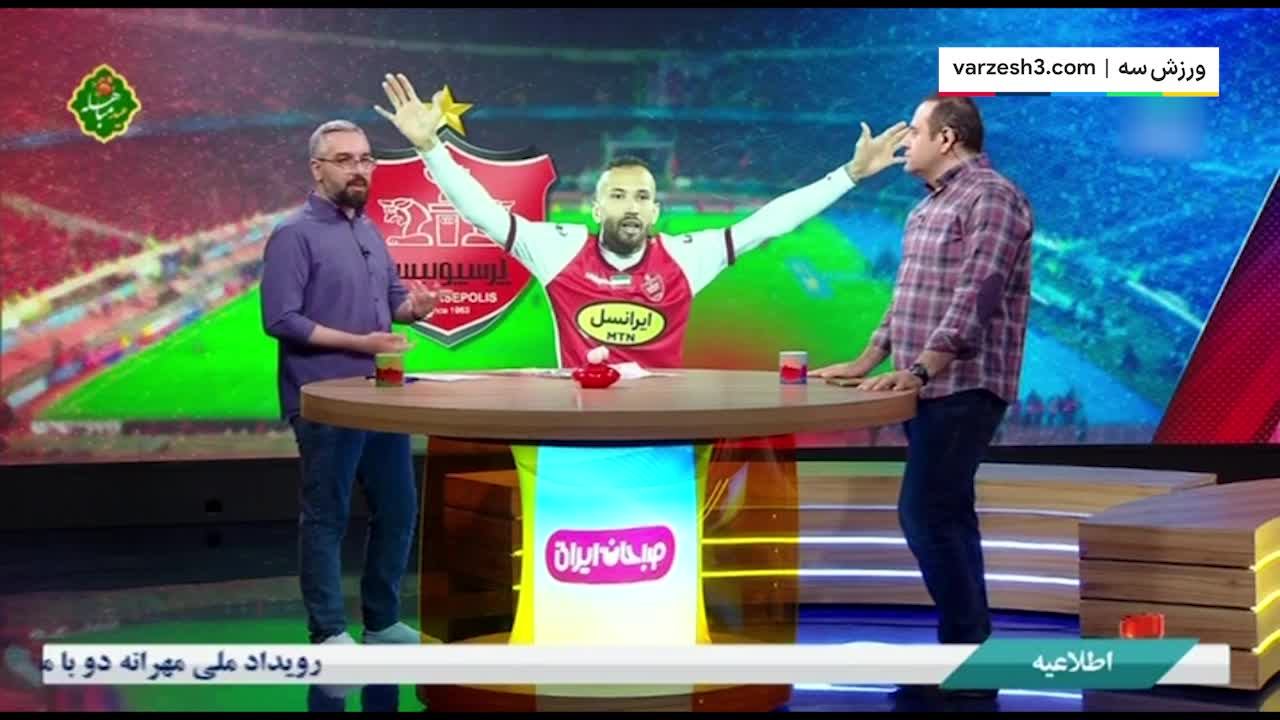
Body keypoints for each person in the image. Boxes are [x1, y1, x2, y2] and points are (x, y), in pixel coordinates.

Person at [374, 72, 909, 369]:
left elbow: (769, 222)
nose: (631, 206)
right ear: (596, 208)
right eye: (618, 195)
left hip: (660, 426)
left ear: (655, 211)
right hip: (578, 424)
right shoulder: (560, 249)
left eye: (642, 197)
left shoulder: (685, 257)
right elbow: (482, 211)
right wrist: (430, 146)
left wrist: (850, 175)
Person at [816, 94, 1033, 697]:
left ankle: (966, 663)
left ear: (947, 138)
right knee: (947, 515)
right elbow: (907, 295)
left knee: (926, 513)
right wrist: (869, 358)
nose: (905, 141)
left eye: (915, 130)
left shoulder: (991, 196)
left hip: (963, 384)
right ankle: (970, 659)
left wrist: (920, 369)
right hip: (928, 385)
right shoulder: (928, 207)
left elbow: (979, 292)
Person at [260, 119, 439, 710]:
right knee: (327, 516)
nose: (359, 169)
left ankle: (382, 623)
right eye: (344, 160)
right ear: (317, 169)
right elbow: (281, 320)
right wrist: (364, 343)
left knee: (399, 509)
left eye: (365, 159)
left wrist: (413, 308)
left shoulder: (370, 230)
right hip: (323, 400)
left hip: (379, 398)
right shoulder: (293, 234)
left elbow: (393, 303)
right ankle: (328, 634)